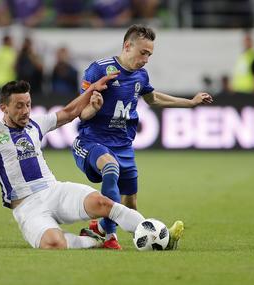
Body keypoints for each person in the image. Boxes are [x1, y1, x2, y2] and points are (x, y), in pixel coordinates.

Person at [0, 76, 185, 250]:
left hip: (54, 190)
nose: (25, 111)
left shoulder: (35, 124)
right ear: (4, 107)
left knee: (102, 203)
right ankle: (92, 241)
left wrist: (92, 88)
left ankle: (158, 234)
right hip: (27, 207)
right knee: (54, 243)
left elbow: (71, 111)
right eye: (19, 106)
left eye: (28, 104)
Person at [72, 24, 212, 249]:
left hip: (123, 145)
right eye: (143, 53)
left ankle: (118, 230)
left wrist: (190, 102)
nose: (146, 59)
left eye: (149, 54)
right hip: (93, 141)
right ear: (127, 46)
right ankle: (110, 237)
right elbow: (81, 113)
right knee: (110, 168)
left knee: (130, 205)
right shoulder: (98, 70)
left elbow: (153, 98)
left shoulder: (140, 75)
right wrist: (94, 108)